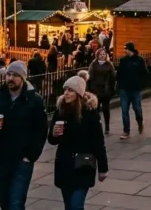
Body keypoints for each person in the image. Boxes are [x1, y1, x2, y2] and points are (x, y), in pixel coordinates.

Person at [0, 60, 48, 210]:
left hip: (22, 160)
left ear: (23, 78)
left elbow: (41, 130)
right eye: (8, 74)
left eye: (15, 75)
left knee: (16, 203)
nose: (10, 78)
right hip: (1, 158)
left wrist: (30, 156)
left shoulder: (34, 100)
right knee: (4, 201)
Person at [48, 76, 109, 210]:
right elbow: (52, 140)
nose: (66, 93)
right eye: (65, 90)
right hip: (65, 164)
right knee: (68, 205)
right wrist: (54, 134)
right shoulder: (60, 111)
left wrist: (103, 168)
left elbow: (98, 142)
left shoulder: (90, 113)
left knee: (76, 206)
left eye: (70, 90)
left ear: (79, 93)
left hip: (83, 165)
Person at [116, 42, 148, 139]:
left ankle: (140, 123)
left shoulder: (139, 60)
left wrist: (140, 84)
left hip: (135, 89)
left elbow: (145, 73)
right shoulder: (123, 60)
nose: (124, 50)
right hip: (124, 89)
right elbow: (119, 73)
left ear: (130, 49)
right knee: (124, 110)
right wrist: (119, 84)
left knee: (137, 108)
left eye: (125, 49)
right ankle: (126, 131)